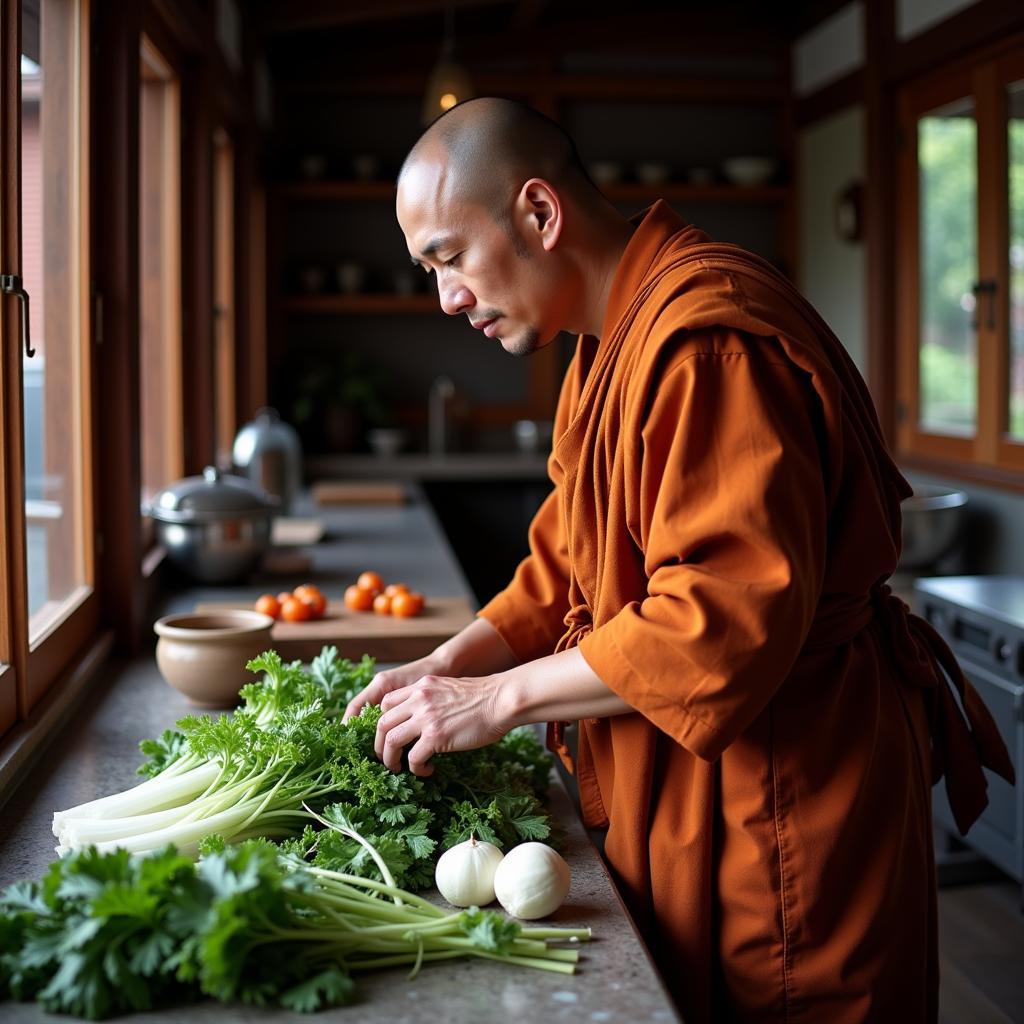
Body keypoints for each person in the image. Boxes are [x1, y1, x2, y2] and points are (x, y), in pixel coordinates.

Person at [342, 97, 1014, 1023]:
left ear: (539, 213)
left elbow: (720, 619)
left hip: (781, 787)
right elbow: (566, 561)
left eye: (451, 260)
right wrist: (452, 662)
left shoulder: (709, 343)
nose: (448, 299)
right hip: (695, 768)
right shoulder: (609, 341)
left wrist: (496, 700)